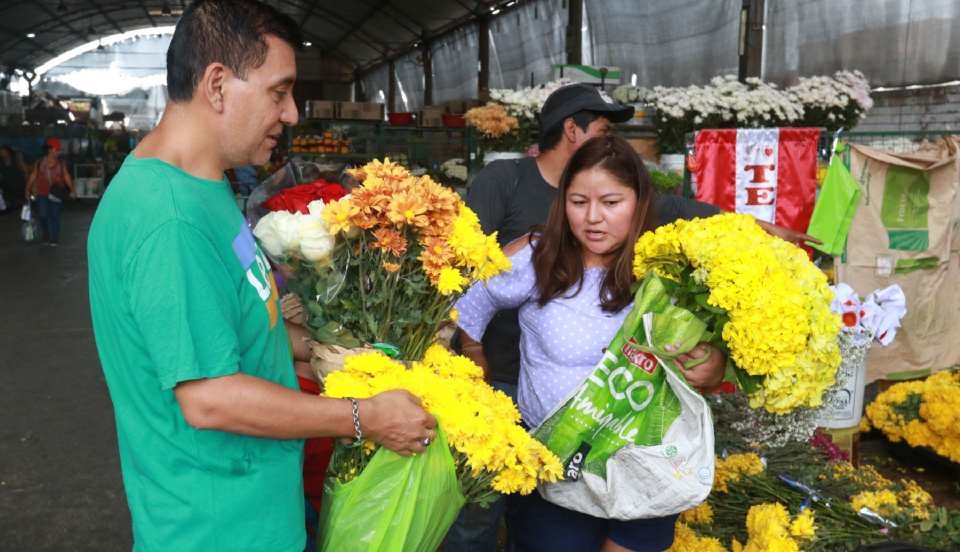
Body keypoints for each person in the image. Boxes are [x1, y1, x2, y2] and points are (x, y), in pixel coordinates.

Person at [86, 2, 435, 551]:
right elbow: (211, 397)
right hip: (217, 529)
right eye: (279, 92)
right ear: (218, 85)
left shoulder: (207, 187)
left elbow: (246, 321)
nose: (292, 113)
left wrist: (336, 349)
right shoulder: (168, 219)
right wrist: (365, 417)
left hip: (258, 504)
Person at [446, 83, 724, 551]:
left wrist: (713, 367)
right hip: (558, 475)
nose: (593, 218)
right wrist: (473, 357)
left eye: (611, 203)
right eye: (579, 202)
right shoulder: (538, 257)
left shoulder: (668, 267)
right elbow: (472, 302)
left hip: (643, 469)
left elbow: (711, 352)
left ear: (639, 202)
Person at [25, 138, 74, 245]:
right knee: (43, 215)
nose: (59, 152)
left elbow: (66, 176)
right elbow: (33, 175)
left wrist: (72, 189)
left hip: (56, 194)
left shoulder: (61, 163)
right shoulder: (39, 163)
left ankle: (54, 238)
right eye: (57, 150)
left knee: (55, 215)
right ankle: (46, 234)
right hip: (42, 193)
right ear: (50, 150)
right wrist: (27, 189)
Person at [0, 145, 28, 213]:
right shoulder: (1, 164)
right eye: (1, 153)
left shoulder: (17, 161)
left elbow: (26, 171)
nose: (4, 155)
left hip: (21, 189)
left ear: (9, 153)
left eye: (5, 152)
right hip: (8, 192)